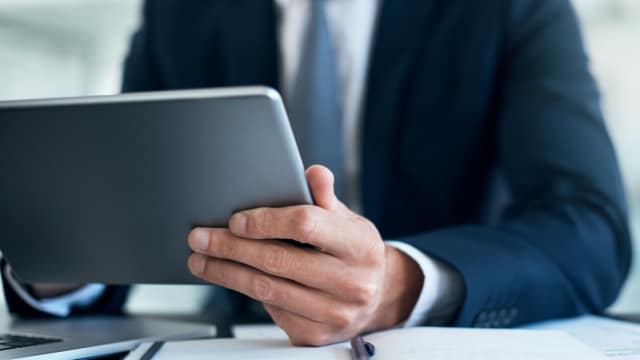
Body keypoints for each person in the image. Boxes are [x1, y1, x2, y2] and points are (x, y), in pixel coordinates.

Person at [1, 0, 632, 346]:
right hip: (248, 343)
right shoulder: (180, 13)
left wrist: (398, 283)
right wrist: (60, 255)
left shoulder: (511, 9)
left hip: (440, 339)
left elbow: (590, 227)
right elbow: (125, 199)